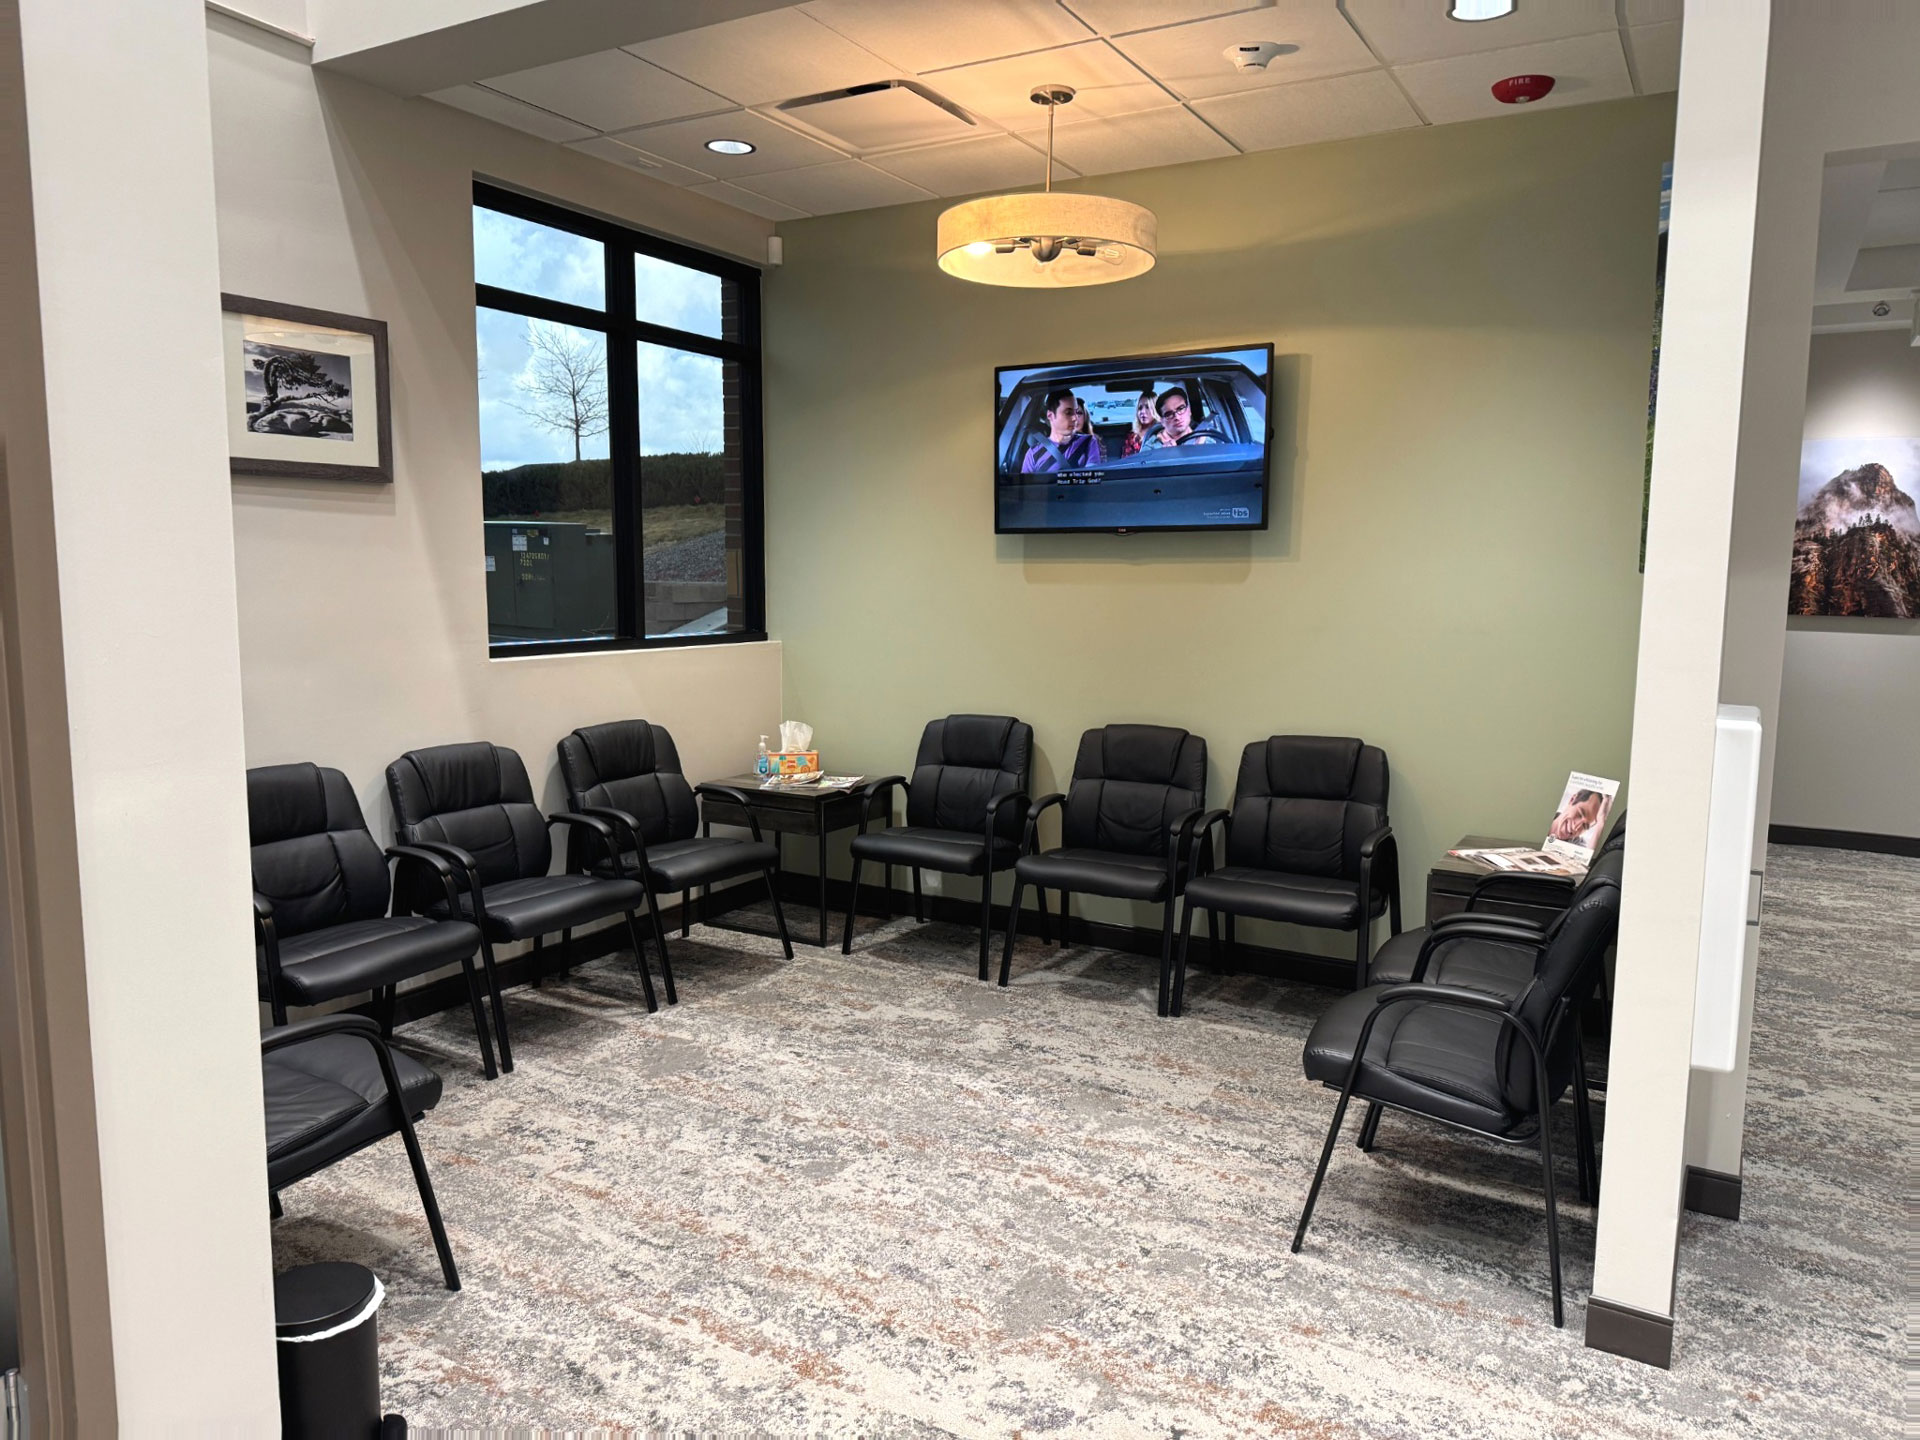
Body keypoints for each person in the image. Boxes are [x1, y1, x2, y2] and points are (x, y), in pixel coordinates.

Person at [1021, 388, 1104, 472]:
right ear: (1050, 415)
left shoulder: (1088, 442)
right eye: (1068, 413)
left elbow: (1092, 479)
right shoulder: (1033, 453)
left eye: (1076, 412)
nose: (1075, 418)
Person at [1151, 385, 1217, 447]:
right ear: (1161, 421)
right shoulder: (1152, 447)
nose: (1177, 417)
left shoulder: (1207, 440)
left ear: (1189, 410)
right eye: (1169, 414)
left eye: (1181, 409)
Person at [1121, 388, 1158, 457]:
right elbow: (1126, 460)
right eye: (1140, 408)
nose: (1142, 412)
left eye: (1147, 407)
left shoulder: (1163, 433)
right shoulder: (1132, 436)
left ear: (1155, 409)